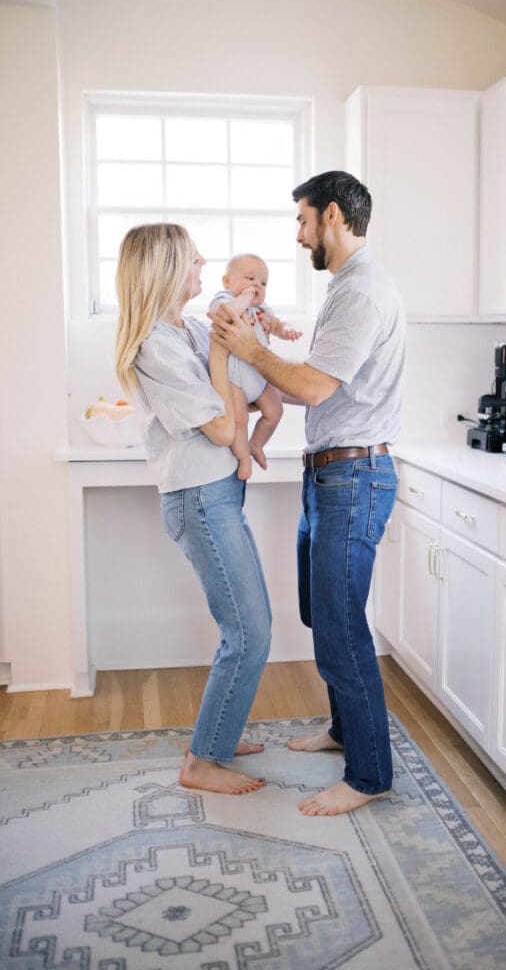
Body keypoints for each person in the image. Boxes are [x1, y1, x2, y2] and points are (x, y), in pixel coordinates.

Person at [208, 171, 406, 816]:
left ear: (333, 217)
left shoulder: (361, 293)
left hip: (352, 477)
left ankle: (370, 775)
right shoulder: (345, 289)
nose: (297, 236)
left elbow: (315, 389)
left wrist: (250, 349)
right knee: (324, 616)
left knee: (341, 628)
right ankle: (345, 732)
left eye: (302, 221)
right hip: (331, 475)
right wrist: (256, 368)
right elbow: (310, 384)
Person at [114, 223, 272, 796]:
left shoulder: (183, 331)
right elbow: (226, 424)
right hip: (200, 499)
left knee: (254, 625)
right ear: (164, 269)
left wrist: (233, 348)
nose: (204, 261)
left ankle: (221, 739)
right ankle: (202, 761)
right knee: (249, 631)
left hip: (219, 490)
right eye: (192, 257)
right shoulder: (155, 344)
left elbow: (243, 388)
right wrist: (225, 357)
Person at [209, 253, 302, 479]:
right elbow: (225, 313)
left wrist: (286, 329)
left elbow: (276, 323)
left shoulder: (262, 309)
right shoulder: (224, 298)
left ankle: (257, 444)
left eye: (263, 283)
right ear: (226, 281)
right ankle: (243, 459)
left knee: (275, 410)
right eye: (249, 278)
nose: (256, 285)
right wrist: (246, 298)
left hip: (258, 378)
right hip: (233, 380)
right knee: (240, 420)